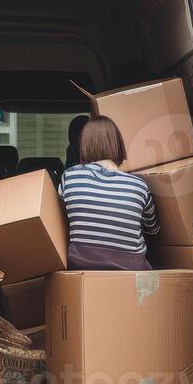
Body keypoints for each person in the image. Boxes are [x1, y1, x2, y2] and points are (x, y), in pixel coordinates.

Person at [59, 116, 158, 271]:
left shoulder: (70, 177)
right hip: (131, 268)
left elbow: (61, 222)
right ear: (118, 144)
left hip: (80, 265)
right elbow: (153, 229)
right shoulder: (140, 185)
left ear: (84, 145)